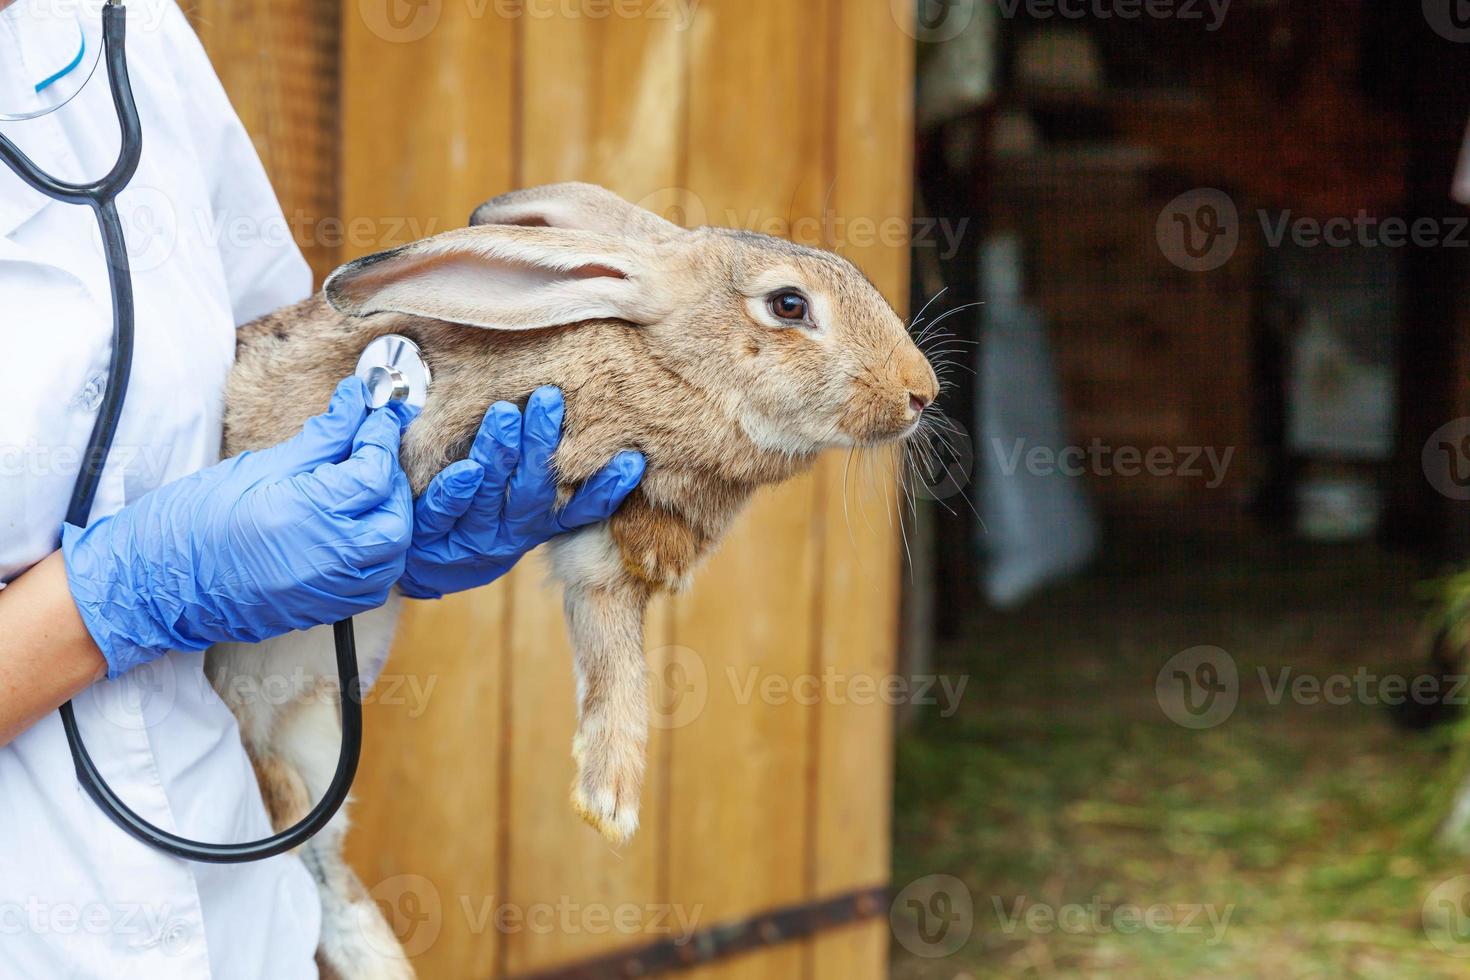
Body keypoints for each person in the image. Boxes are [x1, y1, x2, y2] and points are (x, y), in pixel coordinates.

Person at [0, 1, 643, 975]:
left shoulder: (119, 31)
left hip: (235, 915)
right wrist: (113, 598)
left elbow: (266, 369)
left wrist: (389, 499)